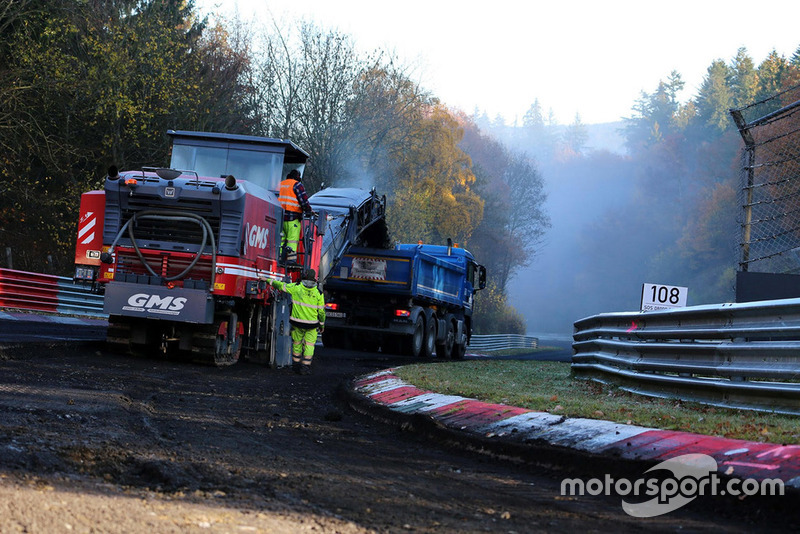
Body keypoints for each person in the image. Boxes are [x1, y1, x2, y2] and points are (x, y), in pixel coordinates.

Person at [270, 268, 325, 374]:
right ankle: (305, 367)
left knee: (297, 343)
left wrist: (268, 280)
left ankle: (295, 366)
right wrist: (322, 325)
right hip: (312, 325)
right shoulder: (318, 293)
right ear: (314, 278)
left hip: (297, 323)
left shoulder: (297, 287)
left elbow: (281, 286)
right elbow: (322, 312)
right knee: (309, 345)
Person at [277, 169, 313, 263]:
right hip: (293, 218)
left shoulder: (280, 184)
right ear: (298, 177)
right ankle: (291, 259)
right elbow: (303, 201)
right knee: (292, 239)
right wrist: (309, 210)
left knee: (281, 239)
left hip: (280, 217)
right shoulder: (297, 185)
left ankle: (279, 257)